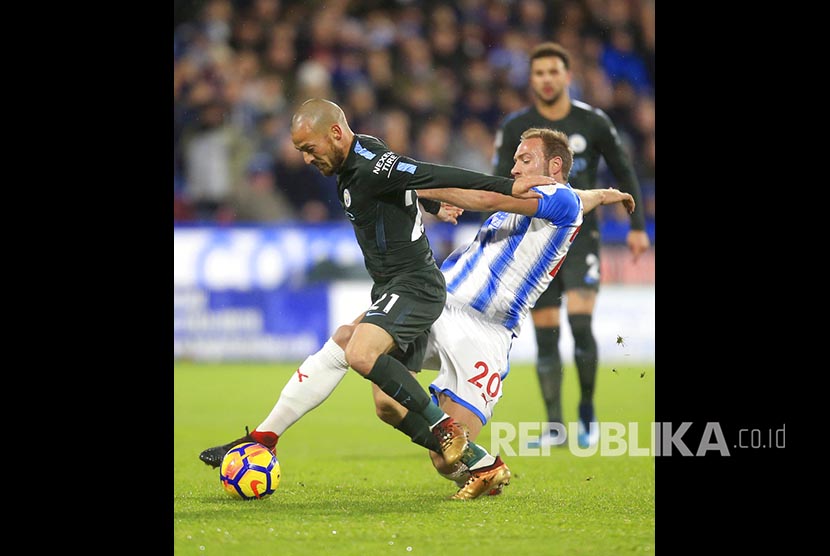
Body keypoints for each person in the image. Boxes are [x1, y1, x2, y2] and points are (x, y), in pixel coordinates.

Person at [200, 126, 635, 499]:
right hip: (441, 305)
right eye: (516, 159)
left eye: (525, 159)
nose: (515, 168)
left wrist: (418, 187)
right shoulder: (567, 196)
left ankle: (479, 462)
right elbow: (579, 195)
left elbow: (494, 199)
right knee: (374, 380)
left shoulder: (558, 197)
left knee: (443, 465)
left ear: (555, 167)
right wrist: (604, 194)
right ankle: (264, 436)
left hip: (487, 333)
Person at [491, 42, 651, 449]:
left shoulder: (592, 121)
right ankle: (556, 428)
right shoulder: (516, 127)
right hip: (534, 244)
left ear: (566, 75)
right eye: (539, 73)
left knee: (580, 325)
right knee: (546, 335)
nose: (546, 79)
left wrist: (637, 226)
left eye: (553, 72)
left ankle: (587, 414)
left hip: (582, 239)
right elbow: (497, 184)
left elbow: (624, 169)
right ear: (532, 79)